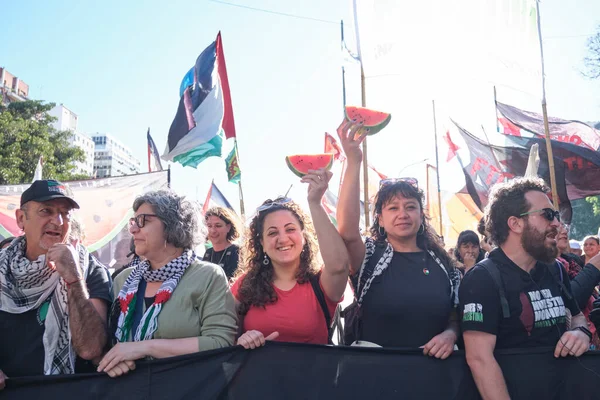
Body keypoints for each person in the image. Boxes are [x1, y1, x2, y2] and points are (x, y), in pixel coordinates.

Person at [336, 120, 460, 354]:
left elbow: (455, 314)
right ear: (380, 219)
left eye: (410, 207)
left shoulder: (443, 263)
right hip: (377, 377)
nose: (402, 214)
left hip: (435, 377)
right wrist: (354, 161)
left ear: (421, 216)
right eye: (393, 208)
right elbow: (347, 231)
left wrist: (451, 334)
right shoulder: (370, 258)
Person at [460, 177, 590, 400]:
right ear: (515, 224)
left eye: (556, 216)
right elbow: (480, 360)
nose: (557, 224)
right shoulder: (481, 278)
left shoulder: (556, 269)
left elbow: (577, 316)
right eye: (548, 215)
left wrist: (581, 332)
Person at [100, 190, 237, 378]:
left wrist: (144, 348)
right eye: (134, 221)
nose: (132, 229)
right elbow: (113, 345)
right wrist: (114, 362)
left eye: (143, 221)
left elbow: (220, 342)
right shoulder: (123, 280)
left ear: (173, 225)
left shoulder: (208, 276)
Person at [0, 180, 110, 385]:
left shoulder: (91, 270)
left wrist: (74, 279)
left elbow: (91, 349)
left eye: (65, 213)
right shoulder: (2, 267)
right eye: (46, 211)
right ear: (21, 218)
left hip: (66, 392)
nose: (58, 221)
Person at [231, 168, 349, 347]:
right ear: (261, 243)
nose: (283, 238)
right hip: (257, 375)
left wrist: (314, 203)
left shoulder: (320, 283)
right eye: (272, 233)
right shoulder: (243, 285)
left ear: (303, 236)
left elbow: (340, 266)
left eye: (290, 229)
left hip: (315, 375)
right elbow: (223, 335)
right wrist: (240, 341)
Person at [203, 206, 242, 279]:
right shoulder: (208, 253)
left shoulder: (236, 251)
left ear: (228, 227)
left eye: (218, 226)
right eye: (209, 226)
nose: (213, 230)